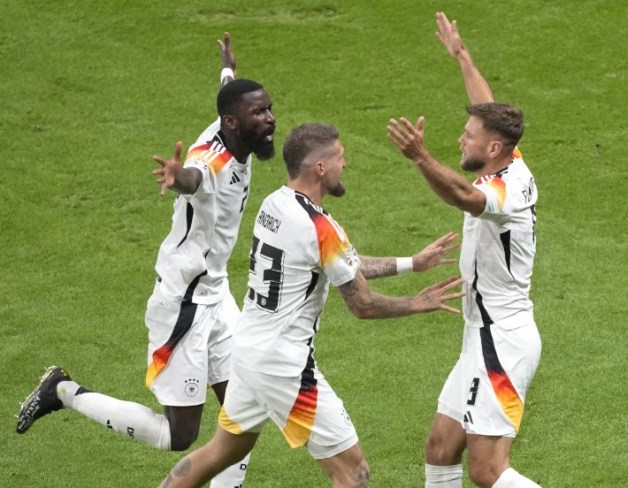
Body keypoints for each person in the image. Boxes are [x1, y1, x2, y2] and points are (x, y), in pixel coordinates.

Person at [16, 32, 276, 488]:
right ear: (232, 123)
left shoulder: (234, 129)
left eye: (269, 108)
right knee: (181, 435)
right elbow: (195, 178)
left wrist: (228, 68)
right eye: (261, 113)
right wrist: (178, 179)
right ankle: (63, 390)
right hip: (184, 303)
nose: (271, 119)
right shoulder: (210, 163)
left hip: (216, 294)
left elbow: (227, 96)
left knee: (244, 410)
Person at [157, 122, 465, 488]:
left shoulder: (274, 205)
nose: (345, 165)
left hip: (248, 353)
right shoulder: (321, 227)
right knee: (353, 472)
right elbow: (362, 304)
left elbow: (338, 261)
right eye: (341, 157)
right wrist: (418, 302)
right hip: (285, 366)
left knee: (221, 452)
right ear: (320, 168)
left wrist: (411, 263)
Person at [386, 12, 542, 488]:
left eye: (468, 136)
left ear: (493, 148)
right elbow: (486, 106)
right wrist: (462, 55)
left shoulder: (505, 191)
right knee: (439, 447)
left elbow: (463, 197)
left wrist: (421, 157)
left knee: (487, 471)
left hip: (501, 340)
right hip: (481, 336)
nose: (461, 137)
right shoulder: (504, 156)